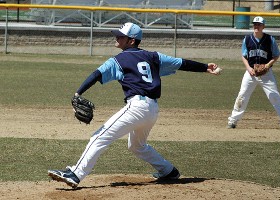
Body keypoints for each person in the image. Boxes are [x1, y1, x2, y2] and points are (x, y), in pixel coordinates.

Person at [48, 22, 220, 188]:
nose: (117, 38)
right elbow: (181, 63)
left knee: (99, 137)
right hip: (152, 110)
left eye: (121, 36)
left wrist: (78, 93)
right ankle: (168, 171)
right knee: (137, 146)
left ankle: (76, 174)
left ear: (131, 40)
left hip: (136, 107)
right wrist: (205, 67)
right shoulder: (154, 56)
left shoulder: (118, 60)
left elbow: (96, 74)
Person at [227, 16, 280, 130]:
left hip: (266, 74)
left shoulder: (270, 39)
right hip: (250, 73)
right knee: (242, 96)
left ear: (263, 26)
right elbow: (244, 56)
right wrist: (248, 68)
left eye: (259, 24)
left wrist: (267, 65)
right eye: (255, 24)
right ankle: (233, 121)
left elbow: (276, 55)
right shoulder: (247, 39)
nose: (256, 26)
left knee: (274, 96)